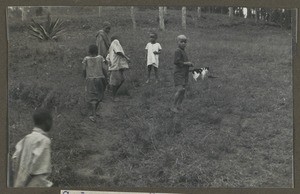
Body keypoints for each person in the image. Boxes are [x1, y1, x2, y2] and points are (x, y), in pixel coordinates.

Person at [12, 109, 53, 187]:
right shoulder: (44, 141)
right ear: (47, 121)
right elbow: (40, 170)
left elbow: (14, 158)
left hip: (18, 185)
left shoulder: (25, 139)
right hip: (34, 186)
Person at [82, 44, 107, 122]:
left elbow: (83, 70)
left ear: (89, 51)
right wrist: (106, 78)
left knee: (92, 97)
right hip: (100, 78)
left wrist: (84, 77)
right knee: (99, 95)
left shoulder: (86, 59)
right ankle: (94, 112)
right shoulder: (100, 58)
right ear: (97, 51)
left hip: (90, 79)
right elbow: (104, 69)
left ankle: (94, 115)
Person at [171, 35, 193, 113]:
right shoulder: (178, 51)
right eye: (181, 42)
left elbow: (183, 62)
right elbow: (176, 62)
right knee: (180, 90)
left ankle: (179, 105)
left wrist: (189, 65)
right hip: (179, 74)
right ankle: (173, 106)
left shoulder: (183, 51)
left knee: (183, 90)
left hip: (184, 74)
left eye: (185, 42)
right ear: (177, 42)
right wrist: (187, 63)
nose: (183, 43)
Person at [106, 35, 130, 102]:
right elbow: (118, 52)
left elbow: (108, 57)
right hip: (115, 67)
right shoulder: (115, 42)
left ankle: (113, 93)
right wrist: (126, 57)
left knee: (122, 79)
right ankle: (113, 96)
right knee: (115, 82)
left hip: (117, 66)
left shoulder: (111, 47)